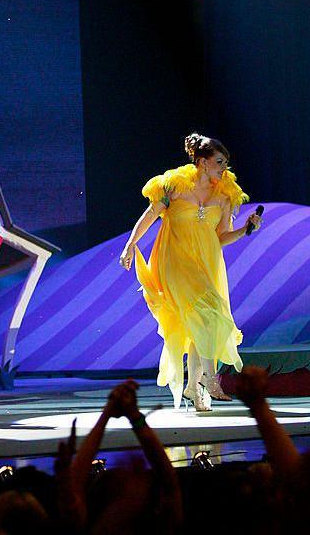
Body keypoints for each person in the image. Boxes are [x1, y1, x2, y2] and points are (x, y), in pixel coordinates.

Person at [119, 134, 261, 411]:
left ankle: (193, 388)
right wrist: (130, 245)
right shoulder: (174, 185)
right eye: (219, 161)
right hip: (174, 258)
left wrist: (245, 230)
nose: (224, 167)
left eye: (225, 162)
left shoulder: (224, 195)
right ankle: (210, 379)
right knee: (207, 311)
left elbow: (220, 237)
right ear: (202, 162)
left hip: (206, 261)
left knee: (202, 322)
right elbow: (149, 216)